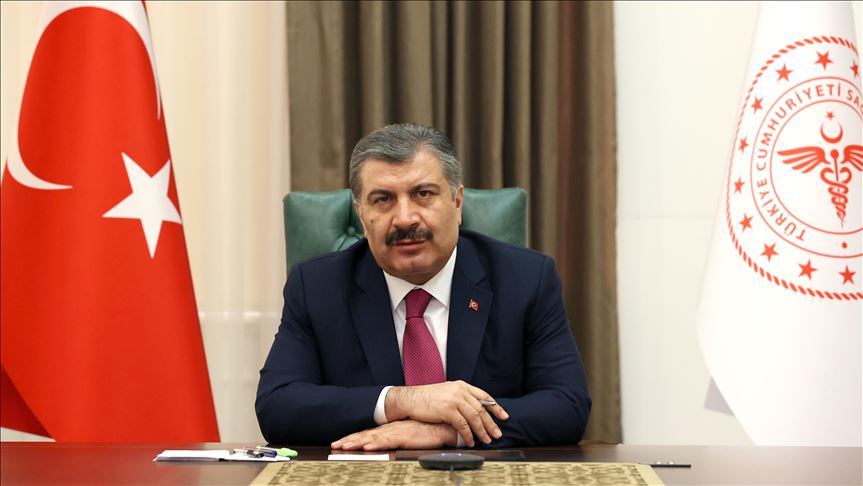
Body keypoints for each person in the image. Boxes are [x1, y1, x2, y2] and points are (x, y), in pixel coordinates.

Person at [256, 123, 590, 450]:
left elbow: (567, 405)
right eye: (383, 199)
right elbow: (277, 406)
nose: (405, 218)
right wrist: (404, 401)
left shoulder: (526, 279)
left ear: (457, 202)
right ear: (361, 214)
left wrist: (446, 431)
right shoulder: (317, 287)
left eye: (423, 194)